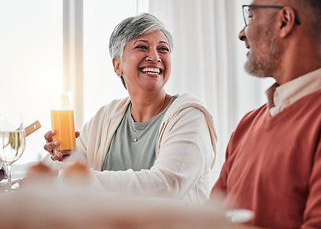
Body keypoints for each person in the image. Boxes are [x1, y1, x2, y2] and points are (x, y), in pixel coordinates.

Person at [210, 0, 321, 228]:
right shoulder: (246, 126)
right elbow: (210, 220)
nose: (241, 34)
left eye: (251, 17)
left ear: (284, 21)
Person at [43, 13, 217, 204]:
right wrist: (67, 159)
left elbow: (167, 186)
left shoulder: (190, 115)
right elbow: (63, 172)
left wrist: (75, 179)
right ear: (117, 66)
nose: (155, 57)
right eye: (142, 47)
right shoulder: (105, 117)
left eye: (163, 49)